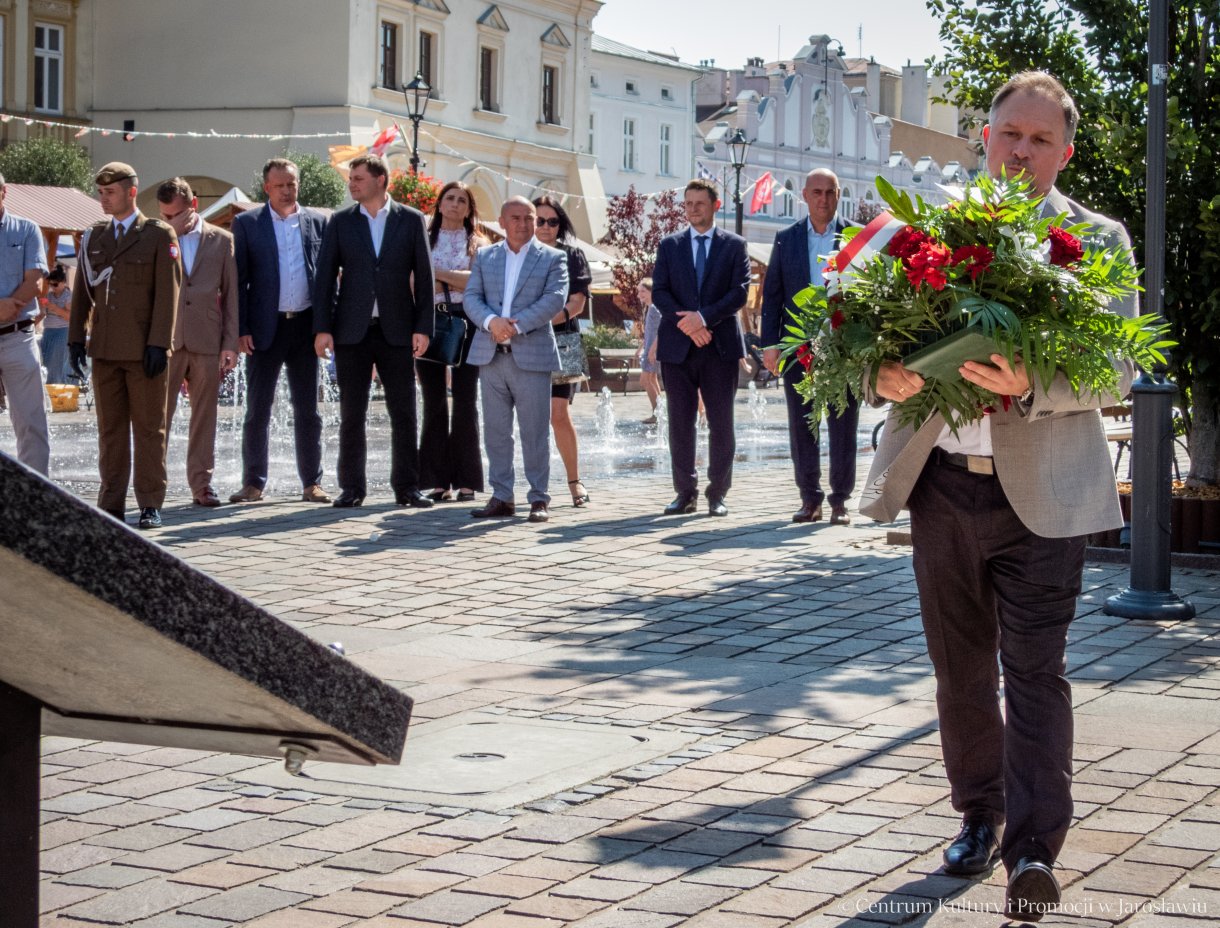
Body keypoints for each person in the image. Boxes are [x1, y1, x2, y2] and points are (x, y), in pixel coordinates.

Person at [861, 72, 1137, 922]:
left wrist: (1032, 380)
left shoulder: (1098, 240)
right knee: (960, 674)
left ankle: (1033, 852)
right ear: (984, 136)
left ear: (1066, 150)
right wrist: (883, 371)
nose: (1021, 150)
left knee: (1037, 671)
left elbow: (1118, 363)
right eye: (1009, 134)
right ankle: (977, 818)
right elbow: (866, 346)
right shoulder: (925, 231)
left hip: (1045, 496)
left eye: (1040, 139)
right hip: (940, 485)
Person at [313, 153, 434, 508]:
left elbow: (425, 279)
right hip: (352, 330)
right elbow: (323, 280)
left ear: (381, 181)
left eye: (358, 178)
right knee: (352, 414)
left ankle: (408, 488)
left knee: (404, 412)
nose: (351, 184)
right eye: (351, 179)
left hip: (398, 330)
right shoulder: (340, 221)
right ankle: (352, 488)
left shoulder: (410, 220)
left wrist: (423, 327)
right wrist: (322, 328)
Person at [69, 162, 180, 528]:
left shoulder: (157, 235)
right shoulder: (93, 236)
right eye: (101, 192)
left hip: (142, 348)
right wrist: (74, 339)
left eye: (110, 192)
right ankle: (111, 502)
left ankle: (149, 502)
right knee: (110, 431)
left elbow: (168, 294)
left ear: (132, 192)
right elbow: (83, 294)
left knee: (149, 428)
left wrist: (159, 344)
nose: (103, 198)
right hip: (104, 349)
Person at [228, 157, 331, 504]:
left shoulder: (318, 221)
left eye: (292, 184)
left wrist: (324, 328)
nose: (287, 191)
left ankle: (311, 483)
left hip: (305, 327)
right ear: (266, 188)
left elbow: (327, 279)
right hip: (263, 329)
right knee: (257, 410)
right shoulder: (247, 224)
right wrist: (240, 328)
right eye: (280, 185)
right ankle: (253, 483)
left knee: (308, 411)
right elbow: (238, 281)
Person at [762, 168, 859, 525]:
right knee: (803, 424)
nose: (823, 199)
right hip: (797, 346)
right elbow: (772, 296)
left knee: (843, 423)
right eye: (816, 192)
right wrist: (769, 346)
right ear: (804, 195)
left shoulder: (853, 237)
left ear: (838, 194)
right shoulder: (786, 239)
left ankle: (840, 501)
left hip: (843, 347)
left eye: (829, 192)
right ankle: (809, 499)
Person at [463, 196, 567, 523]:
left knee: (534, 430)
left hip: (531, 352)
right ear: (502, 221)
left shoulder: (553, 258)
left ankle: (538, 498)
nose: (524, 224)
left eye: (530, 217)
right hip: (490, 352)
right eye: (516, 218)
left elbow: (554, 300)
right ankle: (502, 496)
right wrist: (491, 322)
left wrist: (513, 325)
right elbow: (471, 297)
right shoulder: (485, 256)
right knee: (496, 430)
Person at [652, 178, 750, 517]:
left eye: (700, 203)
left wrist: (703, 319)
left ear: (715, 206)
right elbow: (660, 293)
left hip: (719, 347)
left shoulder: (734, 245)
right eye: (688, 203)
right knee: (680, 422)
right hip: (678, 348)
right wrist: (689, 325)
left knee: (722, 423)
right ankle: (685, 493)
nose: (693, 209)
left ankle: (717, 494)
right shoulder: (669, 246)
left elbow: (739, 293)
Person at [156, 178, 239, 508]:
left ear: (192, 207)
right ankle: (153, 484)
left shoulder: (222, 240)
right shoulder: (158, 239)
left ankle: (202, 484)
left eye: (173, 215)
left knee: (205, 417)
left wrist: (230, 344)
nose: (168, 222)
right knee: (158, 416)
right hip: (166, 341)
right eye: (163, 216)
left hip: (207, 341)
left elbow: (231, 296)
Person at [418, 181, 488, 502]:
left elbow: (476, 281)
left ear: (470, 208)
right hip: (429, 322)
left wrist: (438, 274)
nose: (455, 204)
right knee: (433, 401)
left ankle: (467, 480)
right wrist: (453, 276)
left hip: (468, 321)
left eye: (462, 200)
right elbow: (416, 284)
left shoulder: (479, 243)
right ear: (440, 203)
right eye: (450, 198)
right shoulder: (423, 239)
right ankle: (436, 480)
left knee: (465, 401)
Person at [532, 195, 592, 507]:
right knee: (530, 417)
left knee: (558, 414)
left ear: (561, 224)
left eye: (552, 221)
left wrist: (549, 318)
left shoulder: (572, 255)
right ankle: (535, 488)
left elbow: (578, 301)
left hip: (561, 341)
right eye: (539, 220)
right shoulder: (520, 254)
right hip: (523, 341)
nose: (545, 226)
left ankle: (573, 481)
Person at [0, 175, 50, 475]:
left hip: (18, 337)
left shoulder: (27, 228)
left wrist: (7, 307)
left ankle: (38, 497)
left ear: (4, 192)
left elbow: (36, 280)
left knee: (31, 422)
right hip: (13, 323)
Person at [40, 263, 71, 385]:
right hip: (48, 331)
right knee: (46, 364)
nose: (53, 287)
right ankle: (50, 392)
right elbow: (42, 314)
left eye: (55, 284)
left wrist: (53, 307)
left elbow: (69, 317)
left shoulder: (68, 296)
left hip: (62, 331)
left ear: (64, 282)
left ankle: (56, 394)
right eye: (50, 284)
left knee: (56, 366)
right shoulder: (49, 295)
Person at [637, 278, 662, 423]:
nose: (640, 294)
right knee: (651, 379)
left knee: (645, 380)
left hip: (653, 350)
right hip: (650, 349)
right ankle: (660, 412)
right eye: (639, 291)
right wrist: (640, 348)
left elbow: (661, 331)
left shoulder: (654, 308)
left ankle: (657, 414)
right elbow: (649, 332)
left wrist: (651, 349)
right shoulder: (651, 307)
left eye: (643, 291)